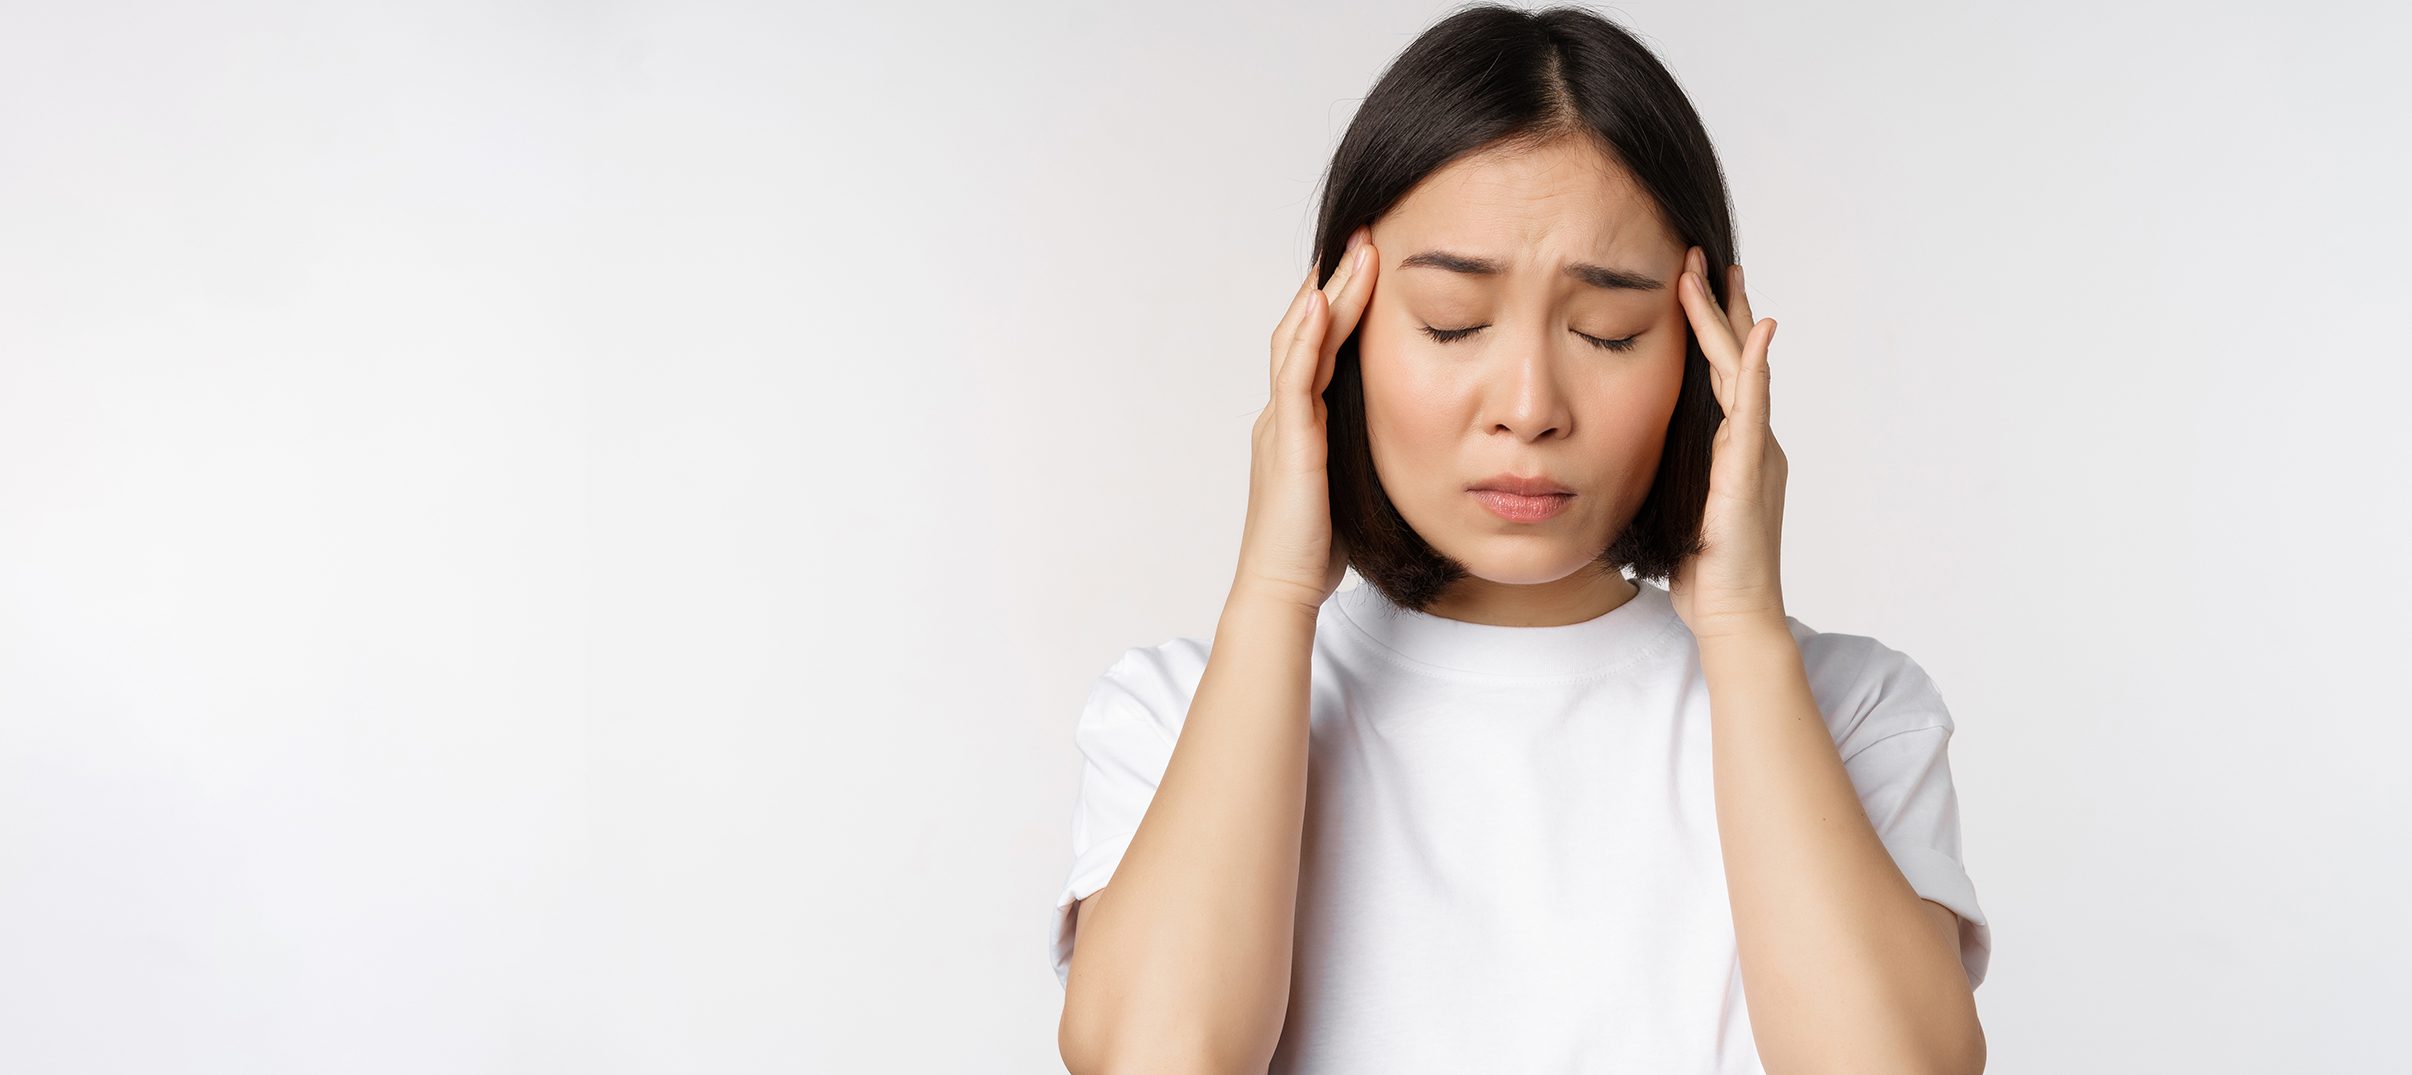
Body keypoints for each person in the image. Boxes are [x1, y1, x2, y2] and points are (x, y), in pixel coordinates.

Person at [1049, 6, 1990, 1073]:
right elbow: (1155, 1060)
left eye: (1609, 332)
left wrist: (1743, 631)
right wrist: (1271, 594)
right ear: (1335, 339)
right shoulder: (1175, 717)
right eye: (1454, 321)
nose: (1531, 406)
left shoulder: (1849, 710)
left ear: (1707, 356)